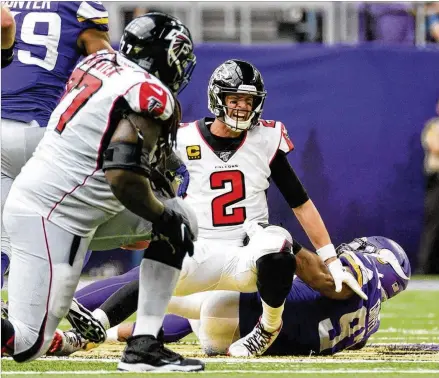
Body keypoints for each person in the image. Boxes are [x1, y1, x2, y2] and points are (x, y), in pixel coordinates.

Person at [54, 59, 366, 358]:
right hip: (198, 251)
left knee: (277, 240)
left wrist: (330, 257)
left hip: (246, 254)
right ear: (217, 97)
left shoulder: (265, 139)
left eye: (249, 100)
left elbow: (301, 204)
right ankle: (84, 334)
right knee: (155, 267)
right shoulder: (180, 139)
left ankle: (268, 326)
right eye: (235, 98)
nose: (242, 106)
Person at [1, 12, 204, 372]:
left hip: (68, 201)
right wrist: (159, 214)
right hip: (49, 217)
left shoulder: (100, 61)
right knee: (27, 343)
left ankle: (144, 345)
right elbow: (121, 175)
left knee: (181, 216)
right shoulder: (149, 93)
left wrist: (162, 200)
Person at [51, 235, 411, 357]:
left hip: (243, 315)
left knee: (148, 278)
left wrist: (284, 246)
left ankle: (55, 308)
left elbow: (331, 280)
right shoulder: (367, 329)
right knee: (192, 311)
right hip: (228, 336)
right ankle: (103, 335)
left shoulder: (362, 270)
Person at [1, 0, 113, 293]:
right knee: (71, 221)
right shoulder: (80, 6)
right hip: (44, 134)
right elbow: (109, 71)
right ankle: (59, 294)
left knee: (2, 241)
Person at [417, 118, 439, 274]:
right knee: (433, 224)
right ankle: (426, 267)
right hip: (436, 181)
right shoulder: (433, 127)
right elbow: (435, 147)